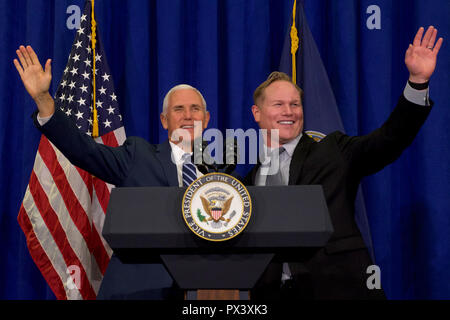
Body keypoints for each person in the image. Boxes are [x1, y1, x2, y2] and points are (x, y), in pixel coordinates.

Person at [246, 26, 443, 299]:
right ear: (257, 112)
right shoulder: (247, 181)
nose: (289, 111)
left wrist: (417, 82)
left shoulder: (333, 150)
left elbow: (388, 141)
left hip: (339, 289)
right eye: (278, 105)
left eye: (295, 104)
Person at [14, 45, 212, 299]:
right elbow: (85, 151)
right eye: (178, 109)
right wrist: (44, 99)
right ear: (164, 120)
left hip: (204, 292)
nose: (188, 116)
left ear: (206, 119)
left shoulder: (221, 176)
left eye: (195, 109)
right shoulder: (138, 155)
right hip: (139, 290)